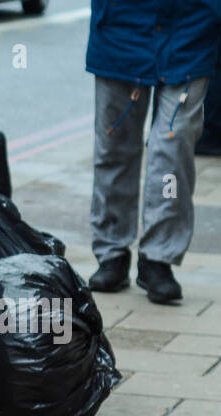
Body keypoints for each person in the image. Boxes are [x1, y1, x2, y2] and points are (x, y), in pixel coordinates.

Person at [87, 1, 221, 304]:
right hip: (119, 30)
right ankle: (111, 252)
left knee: (172, 149)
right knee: (114, 146)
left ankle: (157, 258)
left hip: (192, 28)